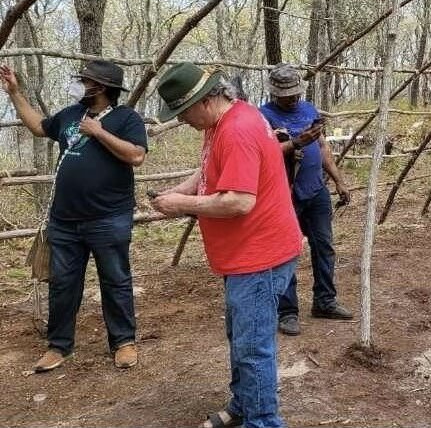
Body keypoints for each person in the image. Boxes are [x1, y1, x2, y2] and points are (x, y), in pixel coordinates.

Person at [150, 63, 302, 428]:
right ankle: (244, 405)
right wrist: (179, 192)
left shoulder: (238, 129)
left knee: (252, 348)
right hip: (244, 256)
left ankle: (263, 421)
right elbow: (209, 169)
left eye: (182, 112)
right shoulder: (224, 121)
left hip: (259, 256)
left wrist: (180, 205)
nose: (182, 120)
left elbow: (238, 201)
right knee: (241, 337)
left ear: (204, 101)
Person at [0, 61, 147, 372]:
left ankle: (123, 342)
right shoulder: (70, 114)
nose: (79, 84)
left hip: (109, 218)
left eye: (85, 80)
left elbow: (136, 155)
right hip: (65, 221)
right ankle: (59, 346)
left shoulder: (126, 118)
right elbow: (38, 127)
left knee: (116, 280)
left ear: (102, 87)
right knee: (63, 284)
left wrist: (99, 132)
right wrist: (15, 93)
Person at [259, 63, 353, 336]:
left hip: (316, 190)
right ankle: (287, 311)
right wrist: (297, 142)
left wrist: (338, 179)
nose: (291, 98)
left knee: (324, 246)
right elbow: (265, 154)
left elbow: (322, 146)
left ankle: (325, 300)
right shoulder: (263, 117)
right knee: (287, 251)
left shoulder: (309, 110)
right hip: (284, 194)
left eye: (294, 93)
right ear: (275, 93)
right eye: (285, 94)